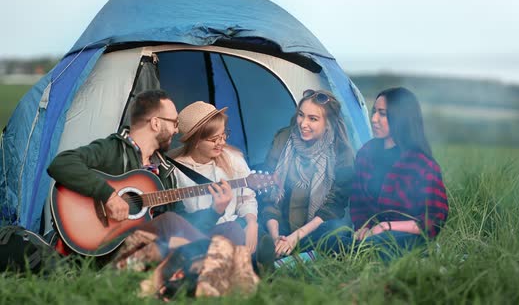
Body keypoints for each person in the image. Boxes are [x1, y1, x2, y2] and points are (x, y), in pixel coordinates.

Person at [46, 90, 237, 260]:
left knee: (230, 229)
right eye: (174, 123)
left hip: (153, 248)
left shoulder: (165, 169)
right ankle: (212, 257)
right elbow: (61, 163)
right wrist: (108, 195)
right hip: (112, 249)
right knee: (168, 223)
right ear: (155, 123)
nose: (177, 130)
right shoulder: (113, 149)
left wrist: (215, 210)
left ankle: (215, 268)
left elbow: (182, 222)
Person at [346, 87, 448, 259]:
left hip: (405, 237)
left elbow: (435, 219)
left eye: (382, 114)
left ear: (401, 118)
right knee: (331, 235)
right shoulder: (366, 154)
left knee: (379, 245)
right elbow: (357, 202)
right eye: (374, 112)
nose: (373, 119)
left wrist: (386, 226)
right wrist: (362, 227)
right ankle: (296, 258)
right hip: (370, 235)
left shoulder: (422, 164)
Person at [261, 89, 355, 257]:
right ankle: (290, 256)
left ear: (328, 123)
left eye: (313, 119)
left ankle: (288, 259)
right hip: (280, 227)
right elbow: (269, 197)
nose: (303, 124)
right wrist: (277, 238)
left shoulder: (341, 152)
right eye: (301, 115)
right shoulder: (283, 139)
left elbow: (333, 207)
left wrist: (294, 238)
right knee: (250, 227)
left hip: (315, 230)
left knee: (337, 231)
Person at [169, 101, 258, 253]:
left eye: (223, 135)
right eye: (213, 139)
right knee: (231, 231)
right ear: (195, 141)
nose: (221, 143)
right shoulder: (173, 171)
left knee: (256, 240)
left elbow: (246, 198)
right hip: (199, 234)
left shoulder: (233, 158)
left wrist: (251, 224)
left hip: (236, 225)